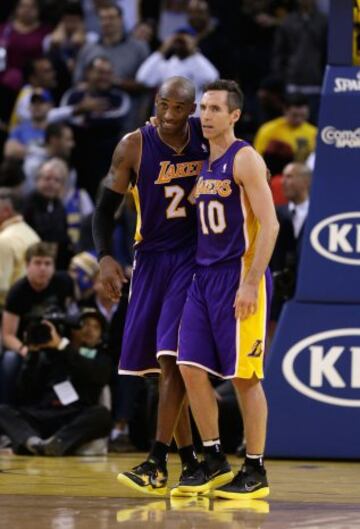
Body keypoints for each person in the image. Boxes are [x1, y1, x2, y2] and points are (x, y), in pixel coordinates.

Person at [92, 76, 209, 495]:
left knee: (171, 359)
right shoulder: (134, 145)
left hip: (194, 258)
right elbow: (104, 211)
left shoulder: (207, 136)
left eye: (180, 108)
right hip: (150, 259)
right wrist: (105, 256)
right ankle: (192, 462)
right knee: (157, 370)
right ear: (155, 103)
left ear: (193, 109)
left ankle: (158, 460)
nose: (170, 116)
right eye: (164, 105)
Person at [176, 80, 279, 499]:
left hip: (239, 278)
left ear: (234, 115)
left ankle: (254, 469)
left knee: (244, 378)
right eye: (203, 107)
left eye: (216, 108)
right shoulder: (203, 160)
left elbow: (269, 225)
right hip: (203, 279)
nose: (206, 115)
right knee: (189, 367)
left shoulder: (246, 158)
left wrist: (251, 283)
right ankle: (214, 457)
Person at [0, 187, 40, 309]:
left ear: (6, 211)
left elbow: (1, 287)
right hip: (31, 306)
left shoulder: (4, 240)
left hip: (7, 313)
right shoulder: (33, 234)